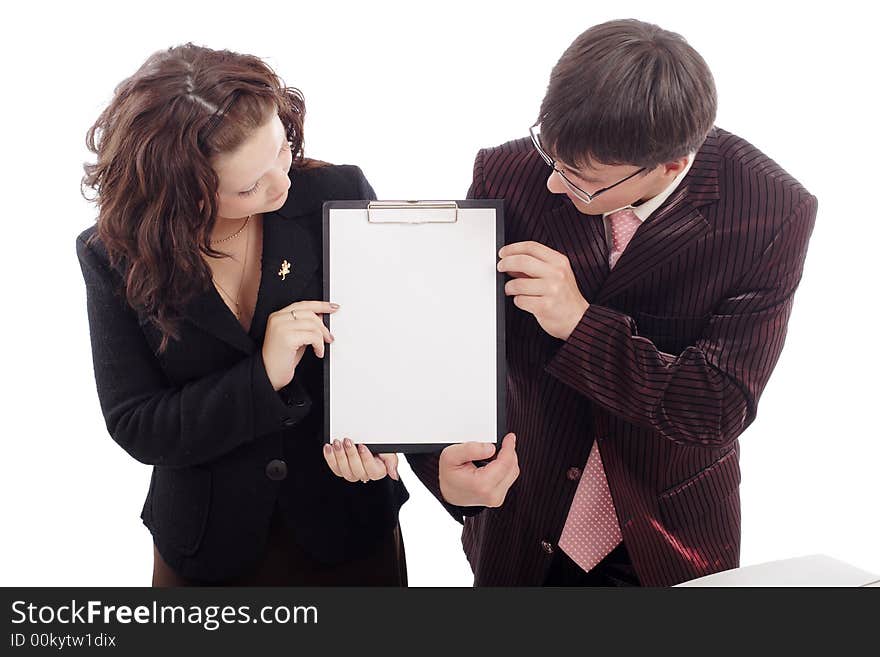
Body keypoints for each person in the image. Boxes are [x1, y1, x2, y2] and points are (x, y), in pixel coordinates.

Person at [334, 18, 818, 587]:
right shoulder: (510, 171)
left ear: (670, 165)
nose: (555, 187)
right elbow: (445, 336)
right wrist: (436, 466)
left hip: (667, 534)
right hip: (521, 519)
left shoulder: (771, 209)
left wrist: (581, 324)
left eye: (582, 178)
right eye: (552, 157)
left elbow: (716, 406)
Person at [76, 43, 409, 586]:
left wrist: (388, 433)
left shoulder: (337, 194)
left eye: (280, 150)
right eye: (249, 186)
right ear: (180, 198)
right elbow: (136, 423)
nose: (282, 184)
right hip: (208, 545)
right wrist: (263, 376)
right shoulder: (114, 253)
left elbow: (393, 344)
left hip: (346, 522)